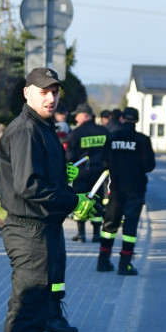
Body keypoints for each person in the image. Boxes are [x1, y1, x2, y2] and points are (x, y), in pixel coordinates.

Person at [0, 67, 94, 332]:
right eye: (42, 91)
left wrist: (61, 177)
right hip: (29, 230)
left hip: (42, 229)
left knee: (34, 310)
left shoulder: (43, 128)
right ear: (27, 93)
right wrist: (73, 201)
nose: (50, 97)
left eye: (54, 91)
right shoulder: (25, 131)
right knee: (27, 310)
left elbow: (39, 178)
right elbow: (27, 187)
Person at [96, 107, 156, 276]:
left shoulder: (112, 137)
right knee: (130, 227)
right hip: (135, 189)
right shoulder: (142, 140)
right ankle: (125, 264)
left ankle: (103, 261)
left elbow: (103, 161)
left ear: (122, 118)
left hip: (114, 188)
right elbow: (149, 166)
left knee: (109, 224)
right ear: (136, 121)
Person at [66, 103, 107, 244]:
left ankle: (81, 234)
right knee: (97, 201)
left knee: (80, 201)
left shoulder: (76, 133)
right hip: (99, 173)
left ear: (86, 116)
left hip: (81, 172)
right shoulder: (103, 131)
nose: (76, 119)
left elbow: (70, 155)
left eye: (77, 116)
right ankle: (96, 235)